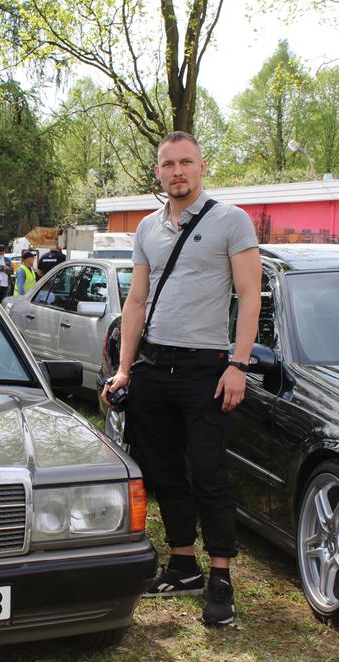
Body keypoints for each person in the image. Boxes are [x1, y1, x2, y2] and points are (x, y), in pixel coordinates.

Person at [103, 131, 260, 626]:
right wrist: (126, 368)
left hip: (205, 369)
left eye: (186, 162)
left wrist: (238, 364)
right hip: (153, 367)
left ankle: (220, 576)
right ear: (158, 172)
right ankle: (183, 563)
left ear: (202, 166)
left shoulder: (231, 221)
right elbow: (136, 301)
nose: (177, 171)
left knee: (210, 473)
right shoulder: (147, 228)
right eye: (168, 164)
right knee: (162, 472)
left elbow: (250, 297)